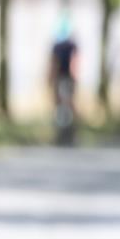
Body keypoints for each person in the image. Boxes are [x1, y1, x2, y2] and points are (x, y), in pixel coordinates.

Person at [49, 15, 79, 144]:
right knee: (64, 104)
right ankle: (65, 132)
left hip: (64, 78)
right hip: (63, 78)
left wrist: (50, 78)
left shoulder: (62, 45)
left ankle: (68, 132)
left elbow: (55, 64)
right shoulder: (68, 45)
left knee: (65, 104)